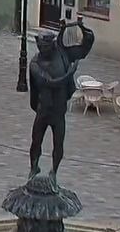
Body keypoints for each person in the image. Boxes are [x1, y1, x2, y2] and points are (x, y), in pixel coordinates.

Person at [27, 16, 95, 185]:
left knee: (58, 144)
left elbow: (85, 46)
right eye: (40, 47)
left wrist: (82, 28)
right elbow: (50, 83)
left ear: (52, 45)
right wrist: (70, 73)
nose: (43, 50)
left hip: (58, 111)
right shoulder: (35, 63)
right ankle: (34, 167)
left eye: (45, 47)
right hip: (43, 110)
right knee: (36, 141)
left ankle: (54, 172)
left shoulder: (62, 54)